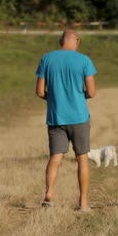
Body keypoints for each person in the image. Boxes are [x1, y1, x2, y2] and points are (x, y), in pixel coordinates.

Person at [35, 30, 96, 212]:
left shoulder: (46, 59)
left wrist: (55, 98)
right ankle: (83, 203)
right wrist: (78, 96)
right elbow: (92, 92)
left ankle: (49, 193)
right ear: (77, 40)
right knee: (82, 159)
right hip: (79, 117)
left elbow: (39, 91)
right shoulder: (84, 60)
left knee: (55, 157)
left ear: (61, 41)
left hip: (56, 117)